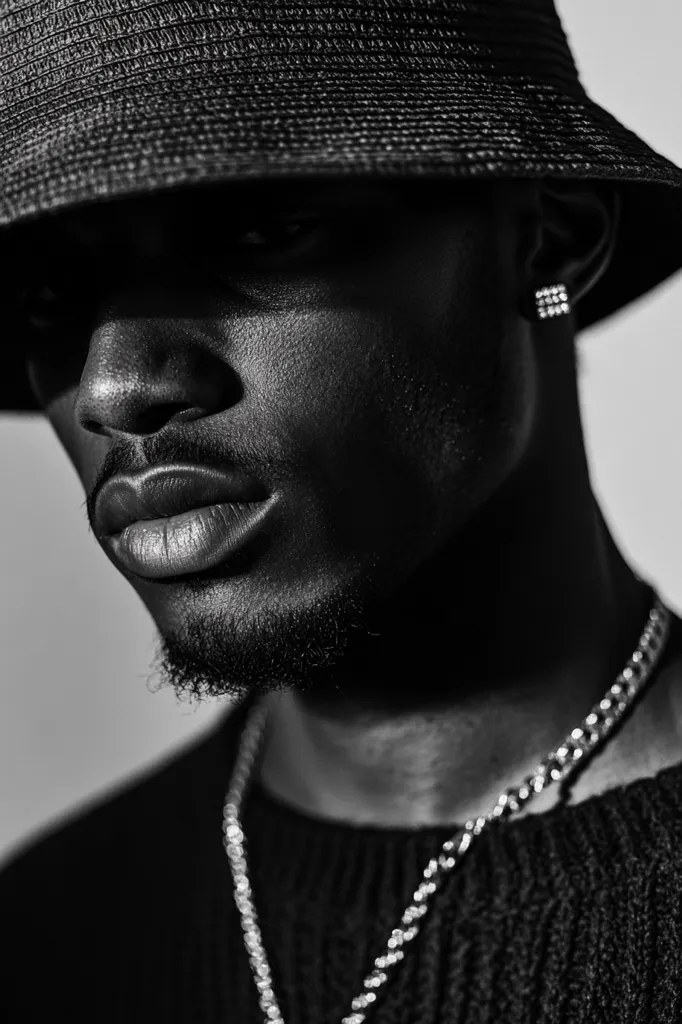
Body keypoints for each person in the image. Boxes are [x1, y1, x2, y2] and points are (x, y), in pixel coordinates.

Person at [1, 0, 682, 1021]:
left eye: (260, 231)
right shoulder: (47, 939)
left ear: (550, 240)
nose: (117, 388)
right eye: (48, 296)